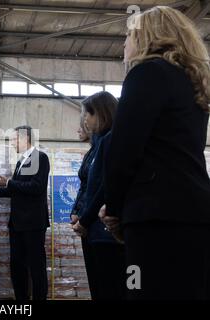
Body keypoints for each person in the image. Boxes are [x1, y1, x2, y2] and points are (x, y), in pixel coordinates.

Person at [100, 6, 210, 300]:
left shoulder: (146, 73)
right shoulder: (194, 83)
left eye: (128, 35)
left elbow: (124, 149)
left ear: (147, 36)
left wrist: (113, 210)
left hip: (154, 220)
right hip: (196, 216)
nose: (124, 43)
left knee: (140, 290)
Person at [0, 126, 50, 300]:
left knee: (36, 267)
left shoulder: (40, 158)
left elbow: (37, 187)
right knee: (17, 266)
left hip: (33, 223)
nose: (12, 143)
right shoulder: (21, 161)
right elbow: (18, 190)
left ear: (24, 138)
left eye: (13, 139)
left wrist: (9, 183)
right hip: (17, 223)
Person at [71, 91, 126, 300]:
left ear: (102, 114)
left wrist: (85, 218)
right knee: (100, 287)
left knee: (112, 288)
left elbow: (104, 186)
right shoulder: (99, 145)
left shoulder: (111, 141)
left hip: (106, 231)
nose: (85, 120)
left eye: (88, 114)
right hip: (94, 229)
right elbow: (88, 186)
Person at [70, 111, 98, 299]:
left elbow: (98, 188)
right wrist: (75, 211)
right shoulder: (91, 152)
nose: (78, 129)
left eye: (82, 122)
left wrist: (85, 218)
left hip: (96, 223)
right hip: (86, 220)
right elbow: (84, 186)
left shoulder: (103, 148)